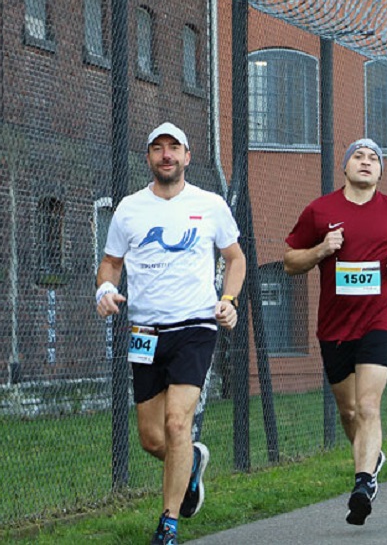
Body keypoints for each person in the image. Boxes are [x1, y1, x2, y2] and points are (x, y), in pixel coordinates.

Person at [95, 122, 246, 545]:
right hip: (144, 331)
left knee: (178, 424)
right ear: (148, 158)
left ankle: (169, 523)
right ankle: (193, 462)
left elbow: (236, 259)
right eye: (158, 149)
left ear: (187, 156)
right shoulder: (129, 209)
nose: (166, 155)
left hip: (195, 327)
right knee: (152, 438)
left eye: (173, 148)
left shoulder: (210, 204)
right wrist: (106, 289)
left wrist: (229, 301)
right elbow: (110, 264)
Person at [284, 138, 387, 526]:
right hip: (334, 326)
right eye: (358, 157)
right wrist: (321, 250)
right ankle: (371, 456)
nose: (366, 162)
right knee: (348, 411)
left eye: (374, 158)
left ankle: (363, 483)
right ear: (345, 168)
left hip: (380, 318)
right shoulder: (320, 210)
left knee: (367, 407)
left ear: (380, 171)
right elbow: (290, 262)